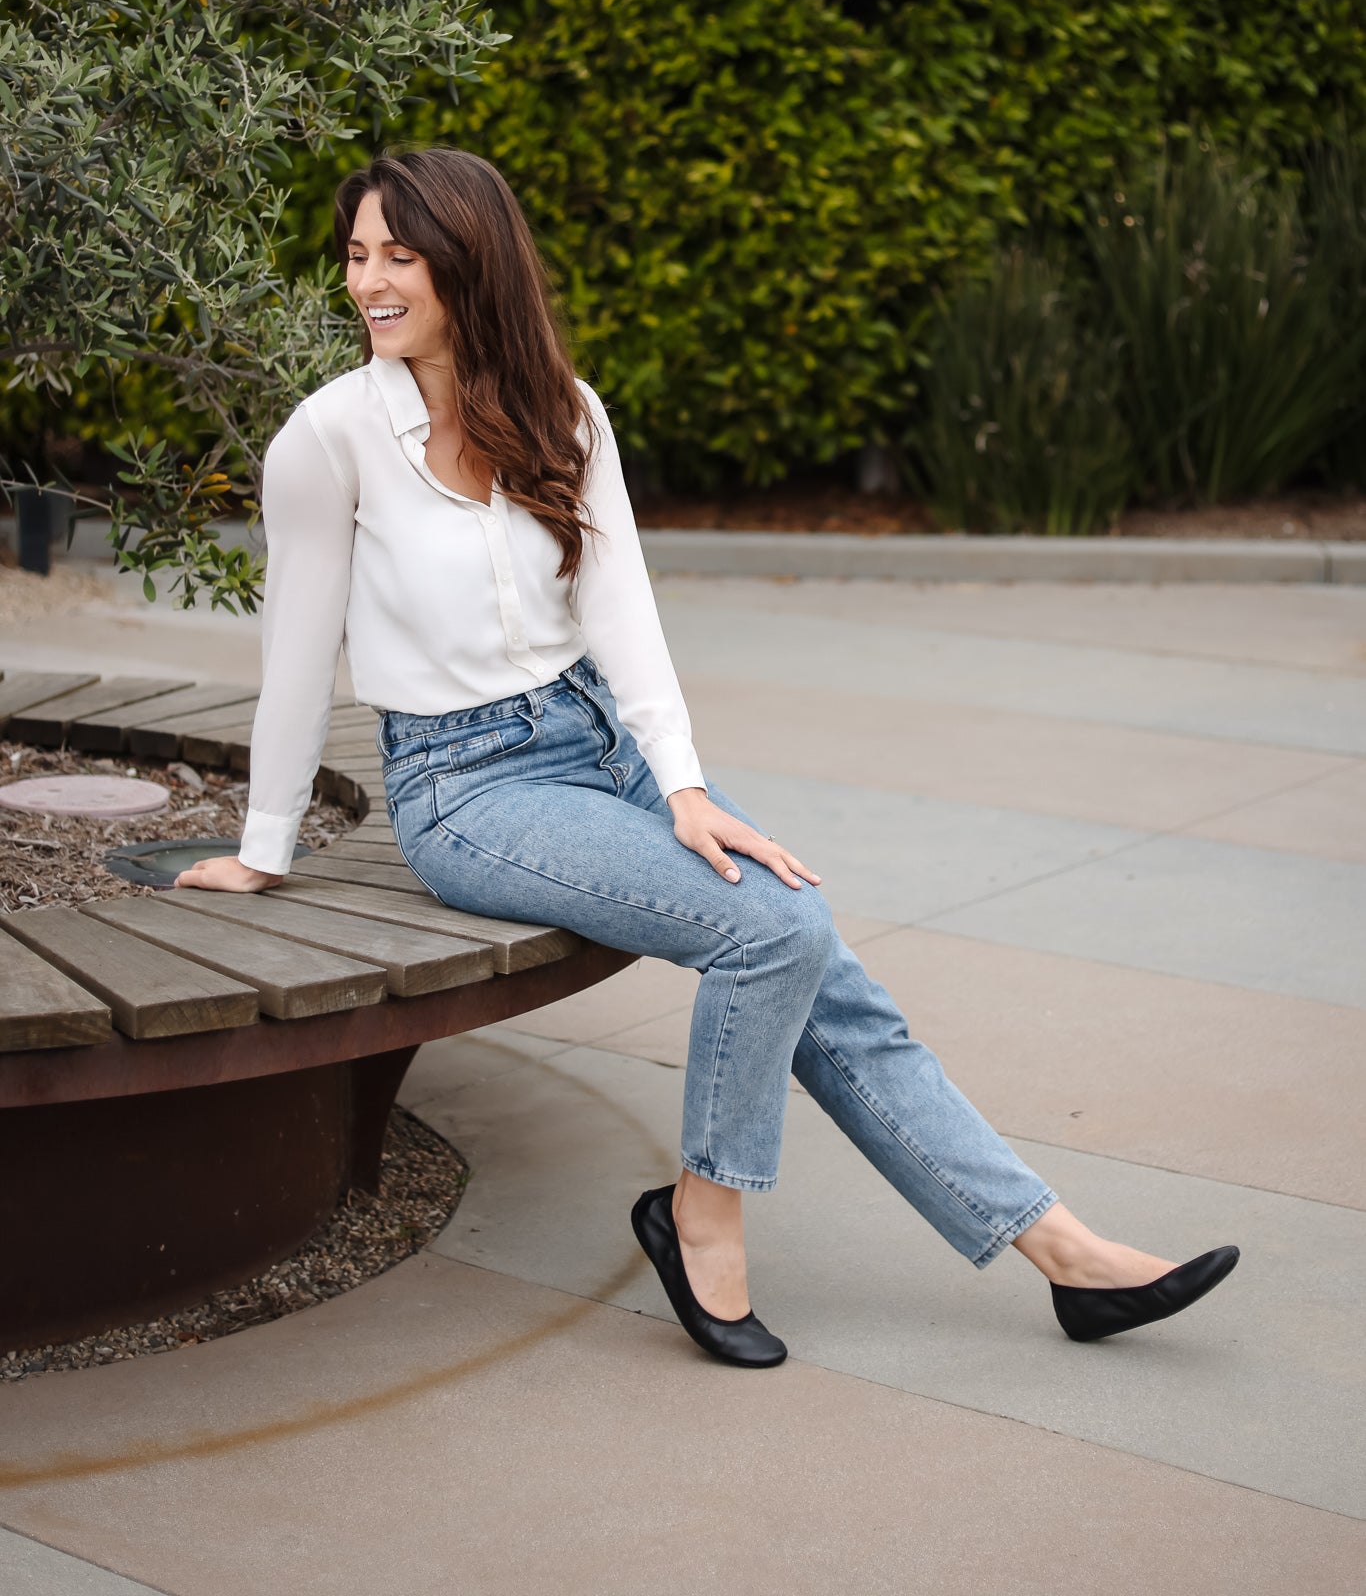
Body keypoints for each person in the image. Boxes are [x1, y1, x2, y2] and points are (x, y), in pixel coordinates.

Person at [176, 147, 1238, 1368]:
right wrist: (262, 848)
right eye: (357, 253)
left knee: (815, 952)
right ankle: (704, 1212)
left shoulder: (563, 409)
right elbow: (297, 648)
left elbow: (622, 609)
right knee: (771, 931)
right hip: (466, 787)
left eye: (397, 255)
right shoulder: (328, 437)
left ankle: (1060, 1250)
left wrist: (678, 782)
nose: (367, 279)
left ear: (470, 260)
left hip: (598, 738)